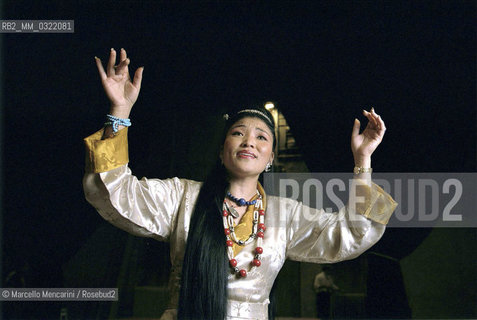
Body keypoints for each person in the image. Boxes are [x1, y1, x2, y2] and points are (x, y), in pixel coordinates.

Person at [83, 48, 397, 320]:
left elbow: (354, 232)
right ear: (221, 152)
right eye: (238, 133)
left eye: (261, 137)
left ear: (270, 158)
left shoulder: (284, 215)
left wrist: (363, 160)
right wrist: (120, 111)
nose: (249, 141)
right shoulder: (183, 197)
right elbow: (114, 193)